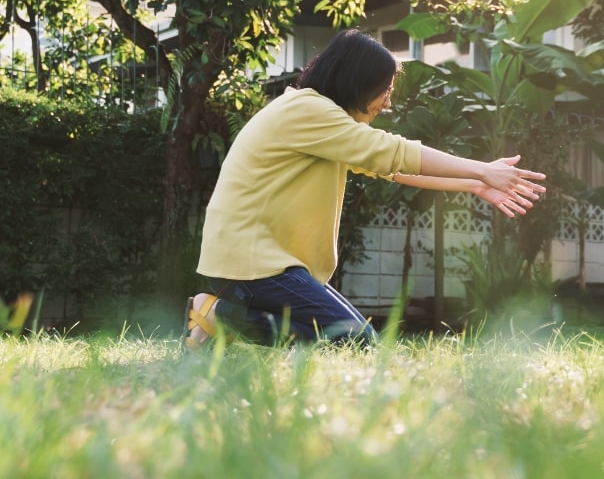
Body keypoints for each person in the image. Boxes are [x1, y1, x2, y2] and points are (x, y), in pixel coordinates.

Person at [183, 29, 546, 349]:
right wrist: (482, 169)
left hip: (261, 265)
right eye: (384, 91)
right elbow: (393, 152)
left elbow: (391, 168)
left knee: (353, 339)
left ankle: (220, 322)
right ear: (357, 82)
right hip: (250, 265)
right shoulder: (306, 111)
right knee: (353, 340)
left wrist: (474, 184)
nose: (388, 102)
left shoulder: (321, 120)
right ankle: (217, 314)